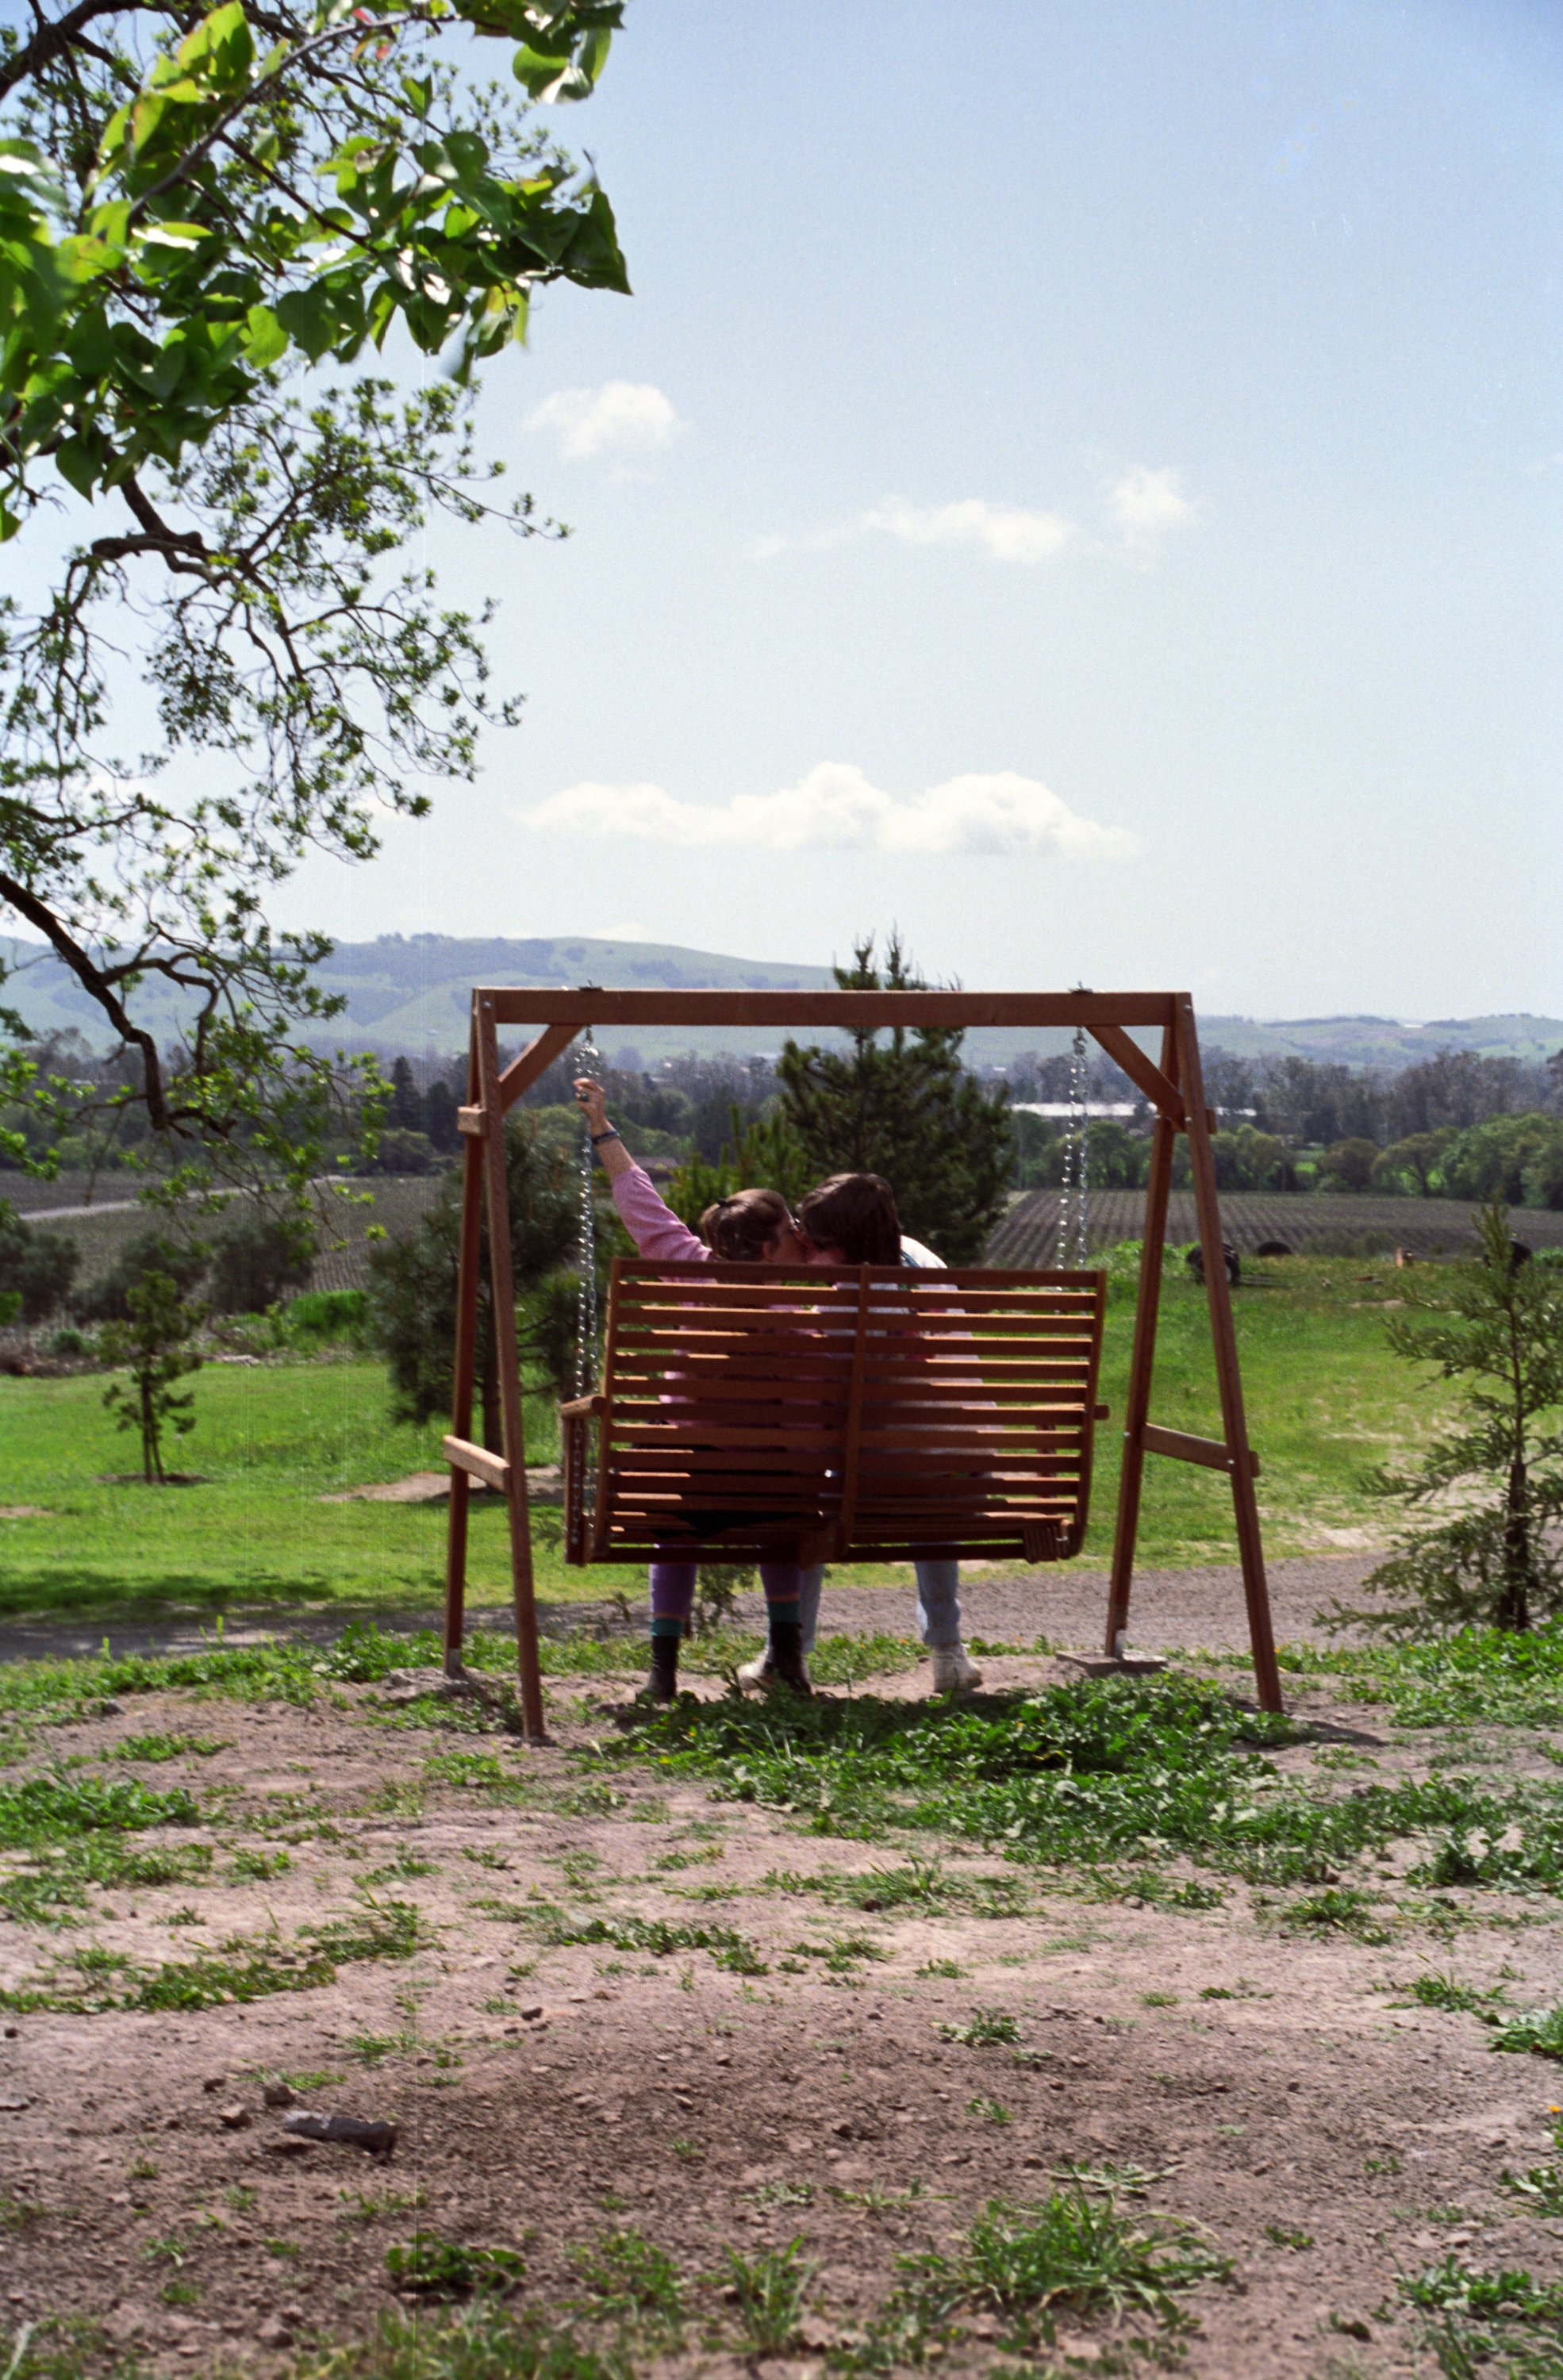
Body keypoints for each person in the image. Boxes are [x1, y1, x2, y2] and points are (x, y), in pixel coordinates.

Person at [572, 1076, 816, 1699]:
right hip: (770, 1489)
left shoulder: (686, 1268)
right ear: (770, 1250)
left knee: (673, 1526)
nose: (801, 1236)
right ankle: (789, 1658)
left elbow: (639, 1202)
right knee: (784, 1515)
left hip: (689, 1483)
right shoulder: (802, 1314)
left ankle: (662, 1671)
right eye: (792, 1228)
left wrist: (602, 1128)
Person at [776, 1172, 985, 1697]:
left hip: (865, 1479)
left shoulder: (844, 1301)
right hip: (947, 1470)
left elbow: (825, 1406)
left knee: (805, 1502)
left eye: (817, 1241)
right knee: (931, 1482)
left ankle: (790, 1652)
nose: (807, 1246)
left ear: (845, 1247)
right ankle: (948, 1650)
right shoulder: (919, 1258)